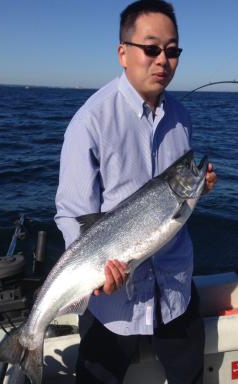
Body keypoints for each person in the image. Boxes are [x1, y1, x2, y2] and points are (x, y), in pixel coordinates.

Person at [55, 1, 217, 383]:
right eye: (151, 49)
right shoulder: (89, 122)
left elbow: (173, 200)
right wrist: (95, 272)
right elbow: (71, 212)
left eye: (172, 51)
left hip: (176, 291)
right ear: (123, 53)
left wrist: (200, 189)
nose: (163, 60)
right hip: (114, 305)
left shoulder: (182, 117)